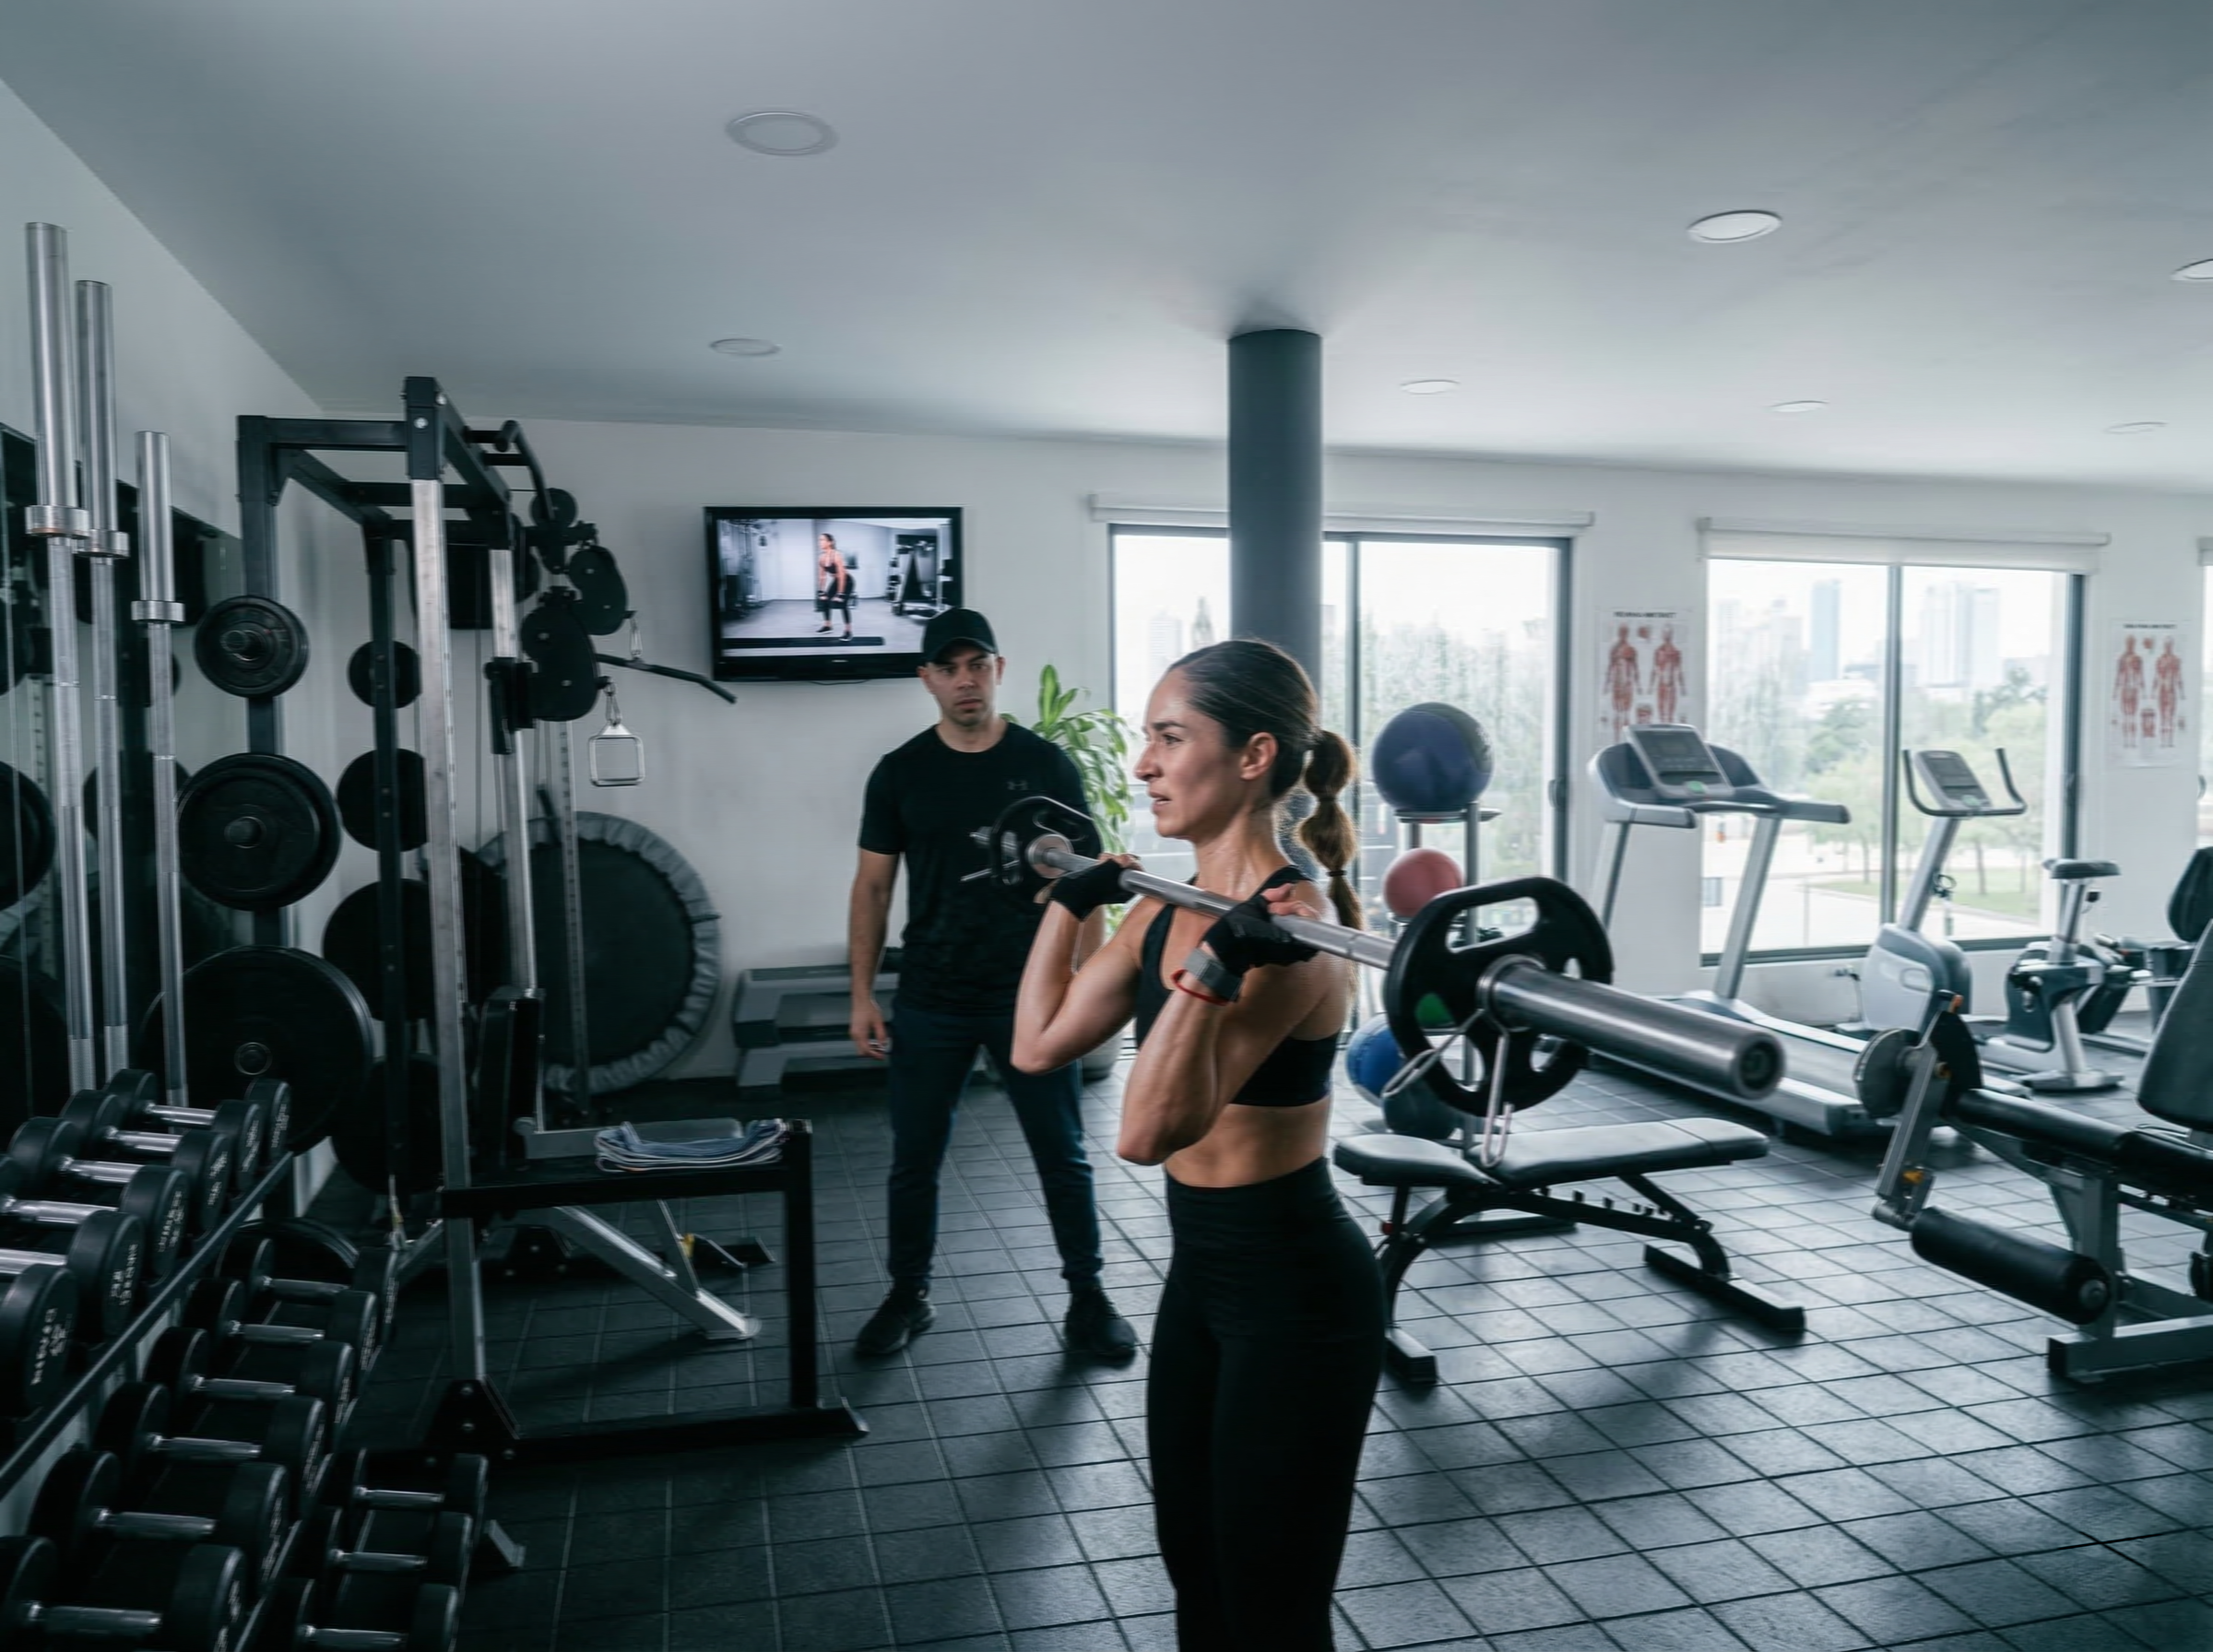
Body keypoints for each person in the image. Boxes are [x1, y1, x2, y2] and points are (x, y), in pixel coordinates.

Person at [1012, 638, 1380, 1651]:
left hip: (1296, 1289)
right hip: (1204, 1281)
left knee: (1270, 1602)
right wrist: (1072, 902)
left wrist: (1216, 968)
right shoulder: (1174, 907)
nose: (1143, 766)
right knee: (1197, 1570)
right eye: (1147, 740)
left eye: (1170, 738)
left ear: (1254, 755)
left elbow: (1144, 1130)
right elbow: (1038, 1043)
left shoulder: (1292, 935)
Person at [846, 608, 1137, 1362]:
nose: (965, 680)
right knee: (915, 1157)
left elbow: (1091, 886)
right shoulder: (901, 772)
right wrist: (860, 994)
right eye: (949, 668)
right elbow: (873, 890)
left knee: (1062, 1153)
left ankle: (1088, 1296)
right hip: (932, 995)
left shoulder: (1047, 767)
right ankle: (908, 1294)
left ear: (999, 670)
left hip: (1028, 997)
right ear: (927, 679)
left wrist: (1081, 987)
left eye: (978, 665)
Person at [815, 532, 855, 639]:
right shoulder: (822, 558)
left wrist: (840, 594)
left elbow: (842, 575)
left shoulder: (836, 555)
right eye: (820, 540)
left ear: (830, 542)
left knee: (843, 605)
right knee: (825, 600)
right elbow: (822, 576)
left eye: (822, 540)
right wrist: (821, 591)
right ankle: (828, 626)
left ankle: (848, 632)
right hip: (837, 581)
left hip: (847, 581)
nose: (820, 542)